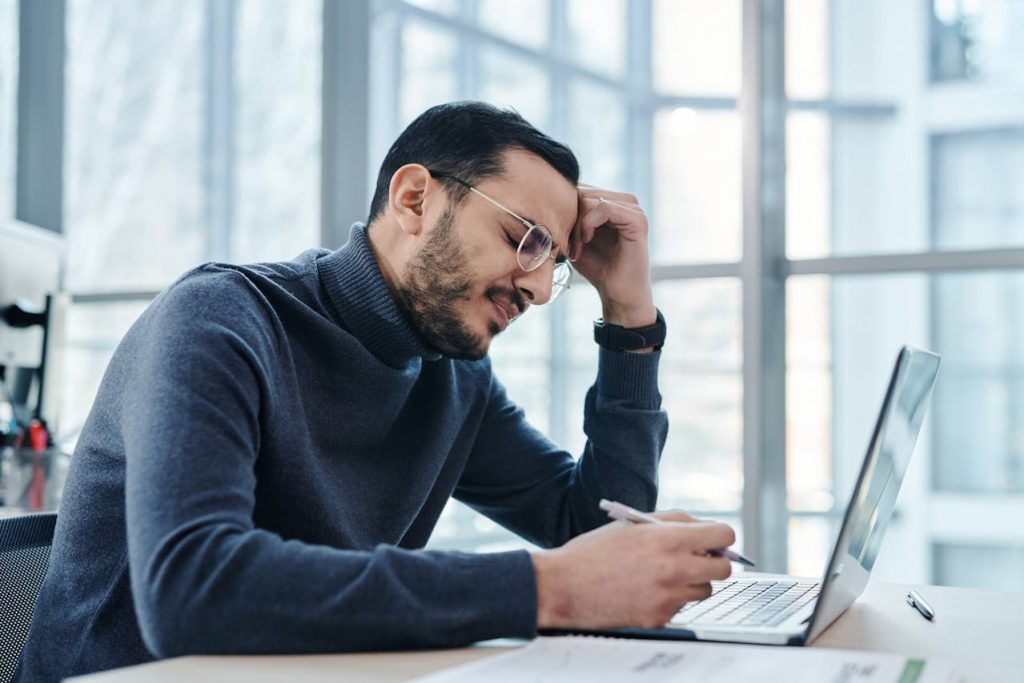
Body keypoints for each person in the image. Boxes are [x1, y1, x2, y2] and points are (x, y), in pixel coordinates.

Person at [16, 102, 735, 682]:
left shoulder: (453, 377)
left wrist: (630, 319)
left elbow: (592, 529)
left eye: (555, 263)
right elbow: (193, 589)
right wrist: (547, 586)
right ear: (415, 197)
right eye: (526, 240)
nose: (542, 288)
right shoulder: (219, 320)